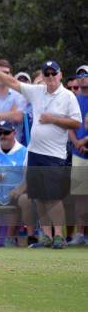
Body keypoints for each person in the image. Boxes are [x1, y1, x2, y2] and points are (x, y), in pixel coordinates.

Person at [0, 58, 81, 249]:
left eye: (54, 73)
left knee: (53, 197)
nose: (50, 77)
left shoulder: (68, 96)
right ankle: (47, 236)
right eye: (47, 74)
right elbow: (12, 82)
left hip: (54, 154)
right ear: (43, 76)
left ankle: (59, 236)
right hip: (35, 151)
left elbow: (76, 123)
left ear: (60, 75)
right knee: (39, 197)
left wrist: (53, 119)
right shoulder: (37, 92)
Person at [68, 65, 88, 245]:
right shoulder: (73, 100)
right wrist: (77, 143)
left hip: (84, 148)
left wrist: (84, 141)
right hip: (78, 153)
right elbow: (70, 126)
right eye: (79, 75)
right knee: (80, 195)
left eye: (85, 74)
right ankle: (80, 234)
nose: (82, 78)